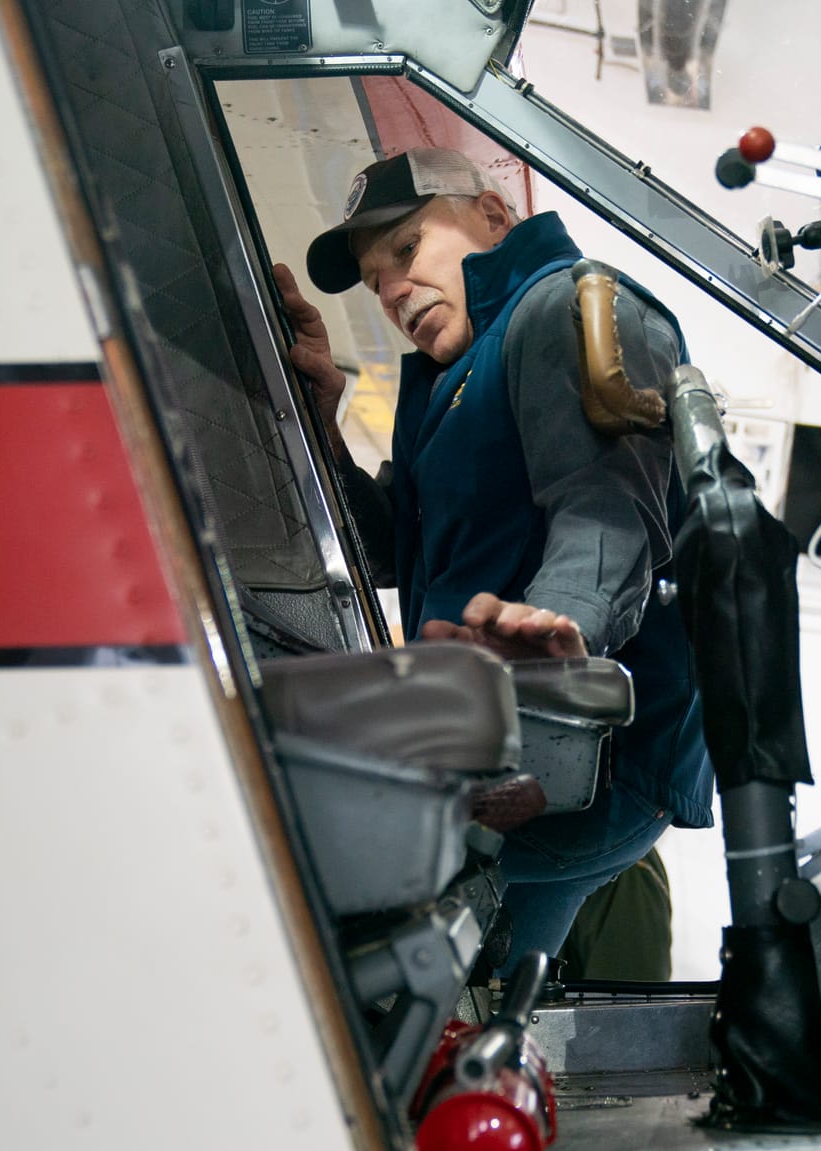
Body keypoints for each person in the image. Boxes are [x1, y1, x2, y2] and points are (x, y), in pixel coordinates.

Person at [274, 147, 712, 961]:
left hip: (574, 761)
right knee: (463, 1013)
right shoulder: (453, 382)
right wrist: (317, 428)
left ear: (495, 216)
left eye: (406, 250)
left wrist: (551, 635)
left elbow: (606, 508)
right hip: (507, 754)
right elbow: (392, 550)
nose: (393, 291)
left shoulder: (562, 307)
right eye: (375, 281)